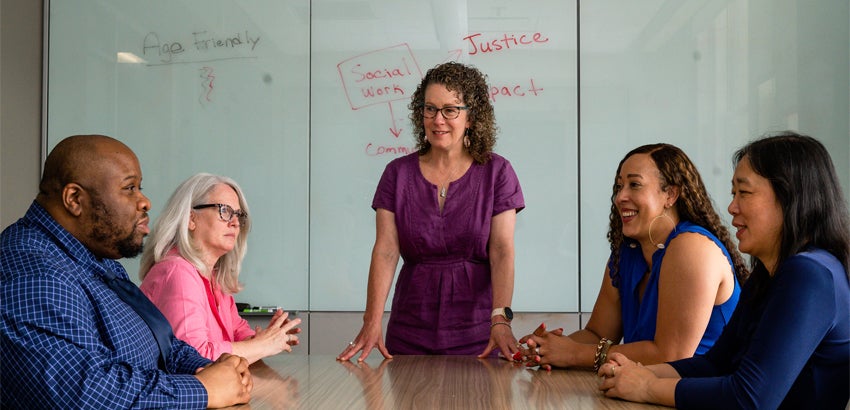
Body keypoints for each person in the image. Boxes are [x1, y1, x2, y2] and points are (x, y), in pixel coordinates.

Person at [599, 132, 850, 409]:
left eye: (744, 192)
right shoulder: (769, 274)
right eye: (733, 194)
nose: (732, 207)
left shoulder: (809, 274)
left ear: (788, 196)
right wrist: (639, 372)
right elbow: (715, 363)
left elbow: (750, 399)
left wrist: (646, 386)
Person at [0, 135, 252, 408]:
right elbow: (85, 394)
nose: (145, 202)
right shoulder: (33, 274)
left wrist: (214, 369)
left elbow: (165, 345)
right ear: (74, 198)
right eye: (129, 188)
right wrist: (203, 389)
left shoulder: (100, 261)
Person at [337, 61, 525, 361]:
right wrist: (372, 322)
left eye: (450, 110)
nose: (438, 120)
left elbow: (502, 250)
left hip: (479, 332)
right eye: (430, 109)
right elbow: (385, 251)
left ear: (471, 117)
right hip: (409, 329)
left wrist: (500, 319)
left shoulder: (497, 172)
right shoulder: (396, 174)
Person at [521, 143, 748, 370]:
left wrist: (574, 354)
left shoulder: (692, 247)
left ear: (670, 194)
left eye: (634, 185)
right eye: (619, 186)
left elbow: (671, 356)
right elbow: (597, 334)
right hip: (648, 394)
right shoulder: (627, 253)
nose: (620, 197)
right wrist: (547, 348)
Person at [139, 173, 301, 364]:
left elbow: (236, 333)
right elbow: (194, 357)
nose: (235, 222)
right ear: (191, 218)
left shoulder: (213, 277)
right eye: (225, 211)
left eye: (238, 215)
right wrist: (262, 345)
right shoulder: (178, 272)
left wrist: (266, 338)